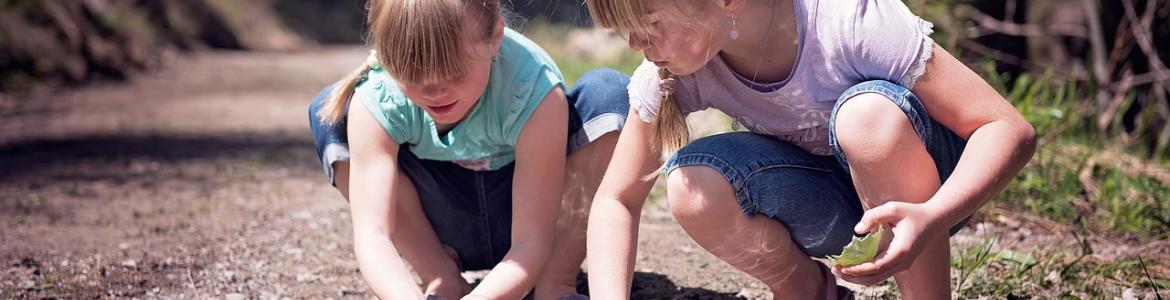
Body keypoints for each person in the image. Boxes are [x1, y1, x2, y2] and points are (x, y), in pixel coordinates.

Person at [582, 0, 1036, 298]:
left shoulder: (846, 20)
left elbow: (1007, 128)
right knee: (690, 184)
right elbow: (616, 199)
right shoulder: (670, 70)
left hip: (927, 199)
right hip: (840, 208)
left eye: (649, 24)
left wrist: (932, 215)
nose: (635, 44)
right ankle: (810, 292)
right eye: (625, 30)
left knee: (866, 120)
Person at [307, 0, 629, 298]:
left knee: (609, 93)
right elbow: (373, 236)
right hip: (441, 224)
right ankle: (440, 275)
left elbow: (532, 240)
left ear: (495, 38)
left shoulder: (533, 88)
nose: (435, 91)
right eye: (412, 75)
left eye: (454, 72)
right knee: (331, 110)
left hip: (532, 219)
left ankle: (554, 282)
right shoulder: (380, 95)